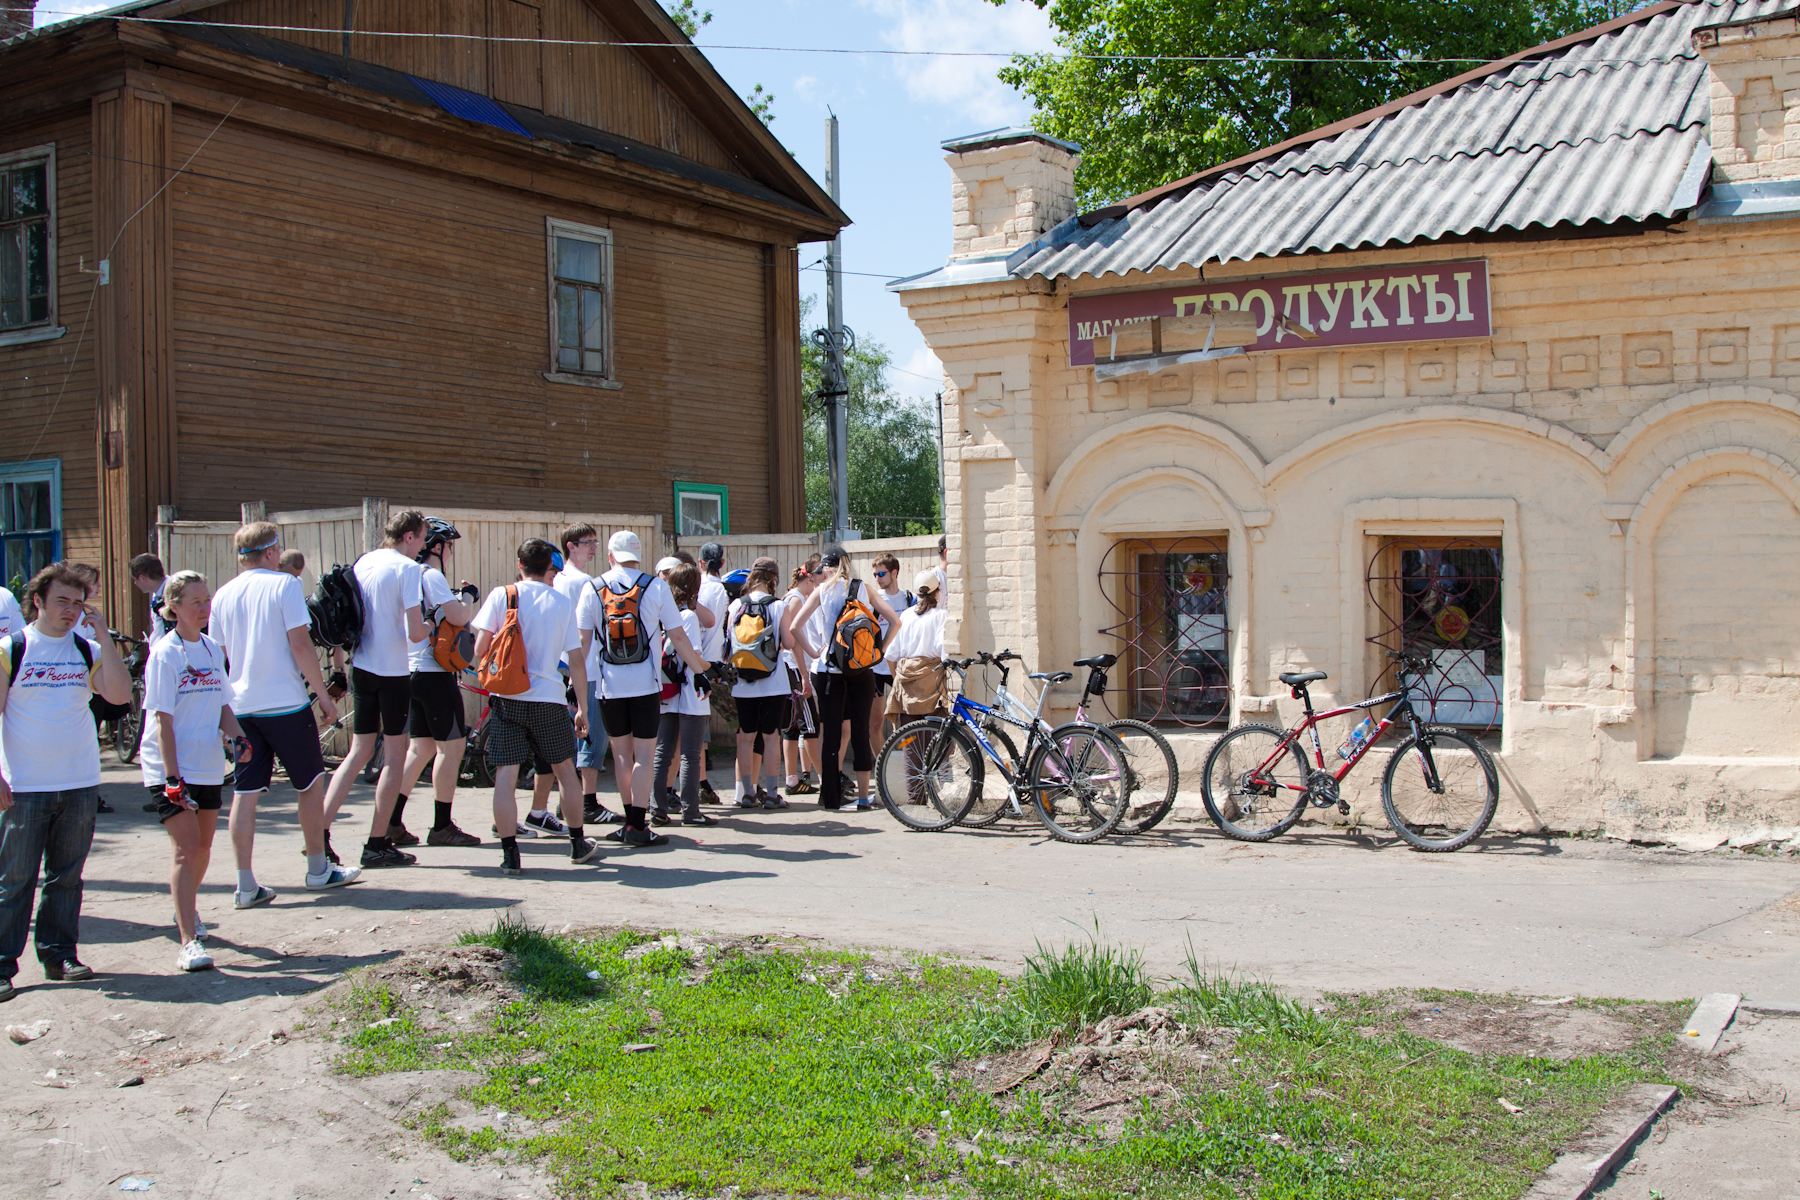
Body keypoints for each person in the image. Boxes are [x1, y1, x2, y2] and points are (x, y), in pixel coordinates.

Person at [0, 563, 132, 998]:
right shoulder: (12, 648)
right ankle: (2, 965)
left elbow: (119, 694)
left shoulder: (86, 649)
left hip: (79, 782)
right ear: (38, 601)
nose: (71, 610)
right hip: (24, 785)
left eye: (78, 603)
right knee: (14, 879)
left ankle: (60, 955)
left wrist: (104, 637)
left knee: (67, 877)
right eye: (62, 601)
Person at [209, 521, 358, 902]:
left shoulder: (223, 594)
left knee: (245, 792)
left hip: (242, 706)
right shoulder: (285, 585)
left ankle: (245, 885)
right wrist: (324, 697)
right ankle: (318, 869)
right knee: (309, 784)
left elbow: (218, 657)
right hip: (285, 705)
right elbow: (300, 645)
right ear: (272, 552)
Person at [141, 571, 250, 972]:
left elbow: (222, 704)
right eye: (195, 602)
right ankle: (188, 941)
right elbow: (162, 721)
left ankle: (185, 907)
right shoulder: (165, 654)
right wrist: (172, 778)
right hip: (170, 767)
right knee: (186, 850)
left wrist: (238, 738)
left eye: (207, 601)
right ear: (174, 607)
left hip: (207, 765)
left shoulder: (209, 648)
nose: (204, 609)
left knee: (203, 849)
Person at [470, 539, 598, 875]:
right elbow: (576, 661)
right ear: (550, 567)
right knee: (565, 771)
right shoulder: (561, 603)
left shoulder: (503, 595)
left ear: (520, 564)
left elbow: (480, 648)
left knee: (506, 774)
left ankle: (510, 854)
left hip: (507, 697)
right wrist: (582, 707)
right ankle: (577, 844)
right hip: (549, 699)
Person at [577, 531, 710, 847]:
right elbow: (678, 637)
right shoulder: (655, 587)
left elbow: (582, 644)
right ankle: (639, 825)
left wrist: (574, 686)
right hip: (646, 686)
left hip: (609, 687)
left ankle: (628, 823)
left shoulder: (592, 588)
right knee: (644, 757)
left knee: (621, 755)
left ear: (610, 555)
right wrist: (699, 672)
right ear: (637, 556)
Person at [320, 510, 429, 870]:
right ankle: (376, 843)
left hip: (362, 664)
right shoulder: (408, 569)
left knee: (357, 753)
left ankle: (319, 833)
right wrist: (434, 621)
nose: (423, 545)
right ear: (409, 536)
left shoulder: (365, 560)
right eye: (421, 537)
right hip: (392, 671)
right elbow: (415, 632)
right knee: (394, 758)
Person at [390, 519, 481, 849]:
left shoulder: (404, 575)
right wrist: (468, 596)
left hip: (408, 671)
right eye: (449, 546)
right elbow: (459, 616)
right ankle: (442, 826)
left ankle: (390, 822)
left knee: (421, 748)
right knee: (452, 748)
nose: (451, 552)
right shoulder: (431, 575)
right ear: (437, 547)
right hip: (434, 672)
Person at [790, 547, 902, 812]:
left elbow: (795, 627)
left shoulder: (821, 591)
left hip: (830, 672)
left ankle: (831, 799)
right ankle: (863, 799)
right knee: (861, 733)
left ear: (826, 568)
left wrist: (813, 652)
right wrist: (878, 652)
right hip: (861, 671)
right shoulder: (863, 588)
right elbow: (895, 621)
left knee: (830, 736)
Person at [553, 523, 615, 827]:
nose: (593, 547)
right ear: (570, 546)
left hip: (561, 668)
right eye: (587, 542)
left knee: (567, 739)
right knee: (592, 735)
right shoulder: (585, 583)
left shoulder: (556, 580)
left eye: (594, 542)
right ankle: (587, 802)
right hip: (585, 668)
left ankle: (567, 801)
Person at [651, 563, 716, 827]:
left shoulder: (660, 615)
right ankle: (691, 812)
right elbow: (694, 657)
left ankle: (657, 808)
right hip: (690, 692)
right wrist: (712, 669)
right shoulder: (687, 616)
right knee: (690, 754)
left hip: (666, 690)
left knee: (662, 752)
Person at [726, 560, 790, 809]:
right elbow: (789, 643)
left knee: (745, 737)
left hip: (743, 682)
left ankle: (747, 793)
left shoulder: (735, 605)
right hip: (774, 681)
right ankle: (772, 795)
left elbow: (729, 642)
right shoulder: (778, 605)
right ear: (773, 579)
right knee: (771, 737)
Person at [866, 553, 913, 767]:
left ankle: (905, 766)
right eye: (875, 574)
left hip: (901, 668)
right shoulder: (873, 600)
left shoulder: (909, 599)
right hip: (876, 668)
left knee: (905, 722)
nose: (877, 578)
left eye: (881, 574)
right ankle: (883, 767)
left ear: (894, 573)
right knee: (875, 723)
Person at [779, 560, 821, 795]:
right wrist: (804, 676)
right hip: (794, 669)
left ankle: (792, 780)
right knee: (811, 727)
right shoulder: (796, 599)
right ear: (810, 578)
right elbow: (792, 642)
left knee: (793, 727)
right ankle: (826, 779)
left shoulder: (790, 597)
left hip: (789, 669)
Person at [694, 543, 730, 806]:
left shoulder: (697, 588)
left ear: (700, 562)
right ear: (722, 563)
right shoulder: (720, 589)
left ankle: (701, 782)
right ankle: (702, 783)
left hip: (697, 662)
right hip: (713, 664)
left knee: (697, 724)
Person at [129, 553, 169, 646]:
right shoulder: (157, 593)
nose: (135, 583)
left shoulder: (173, 592)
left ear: (143, 578)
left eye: (135, 579)